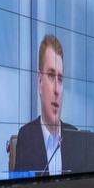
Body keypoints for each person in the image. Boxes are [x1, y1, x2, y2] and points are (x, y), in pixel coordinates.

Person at [12, 34, 74, 174]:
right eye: (51, 75)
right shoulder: (26, 137)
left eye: (60, 79)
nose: (57, 90)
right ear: (40, 82)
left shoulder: (74, 137)